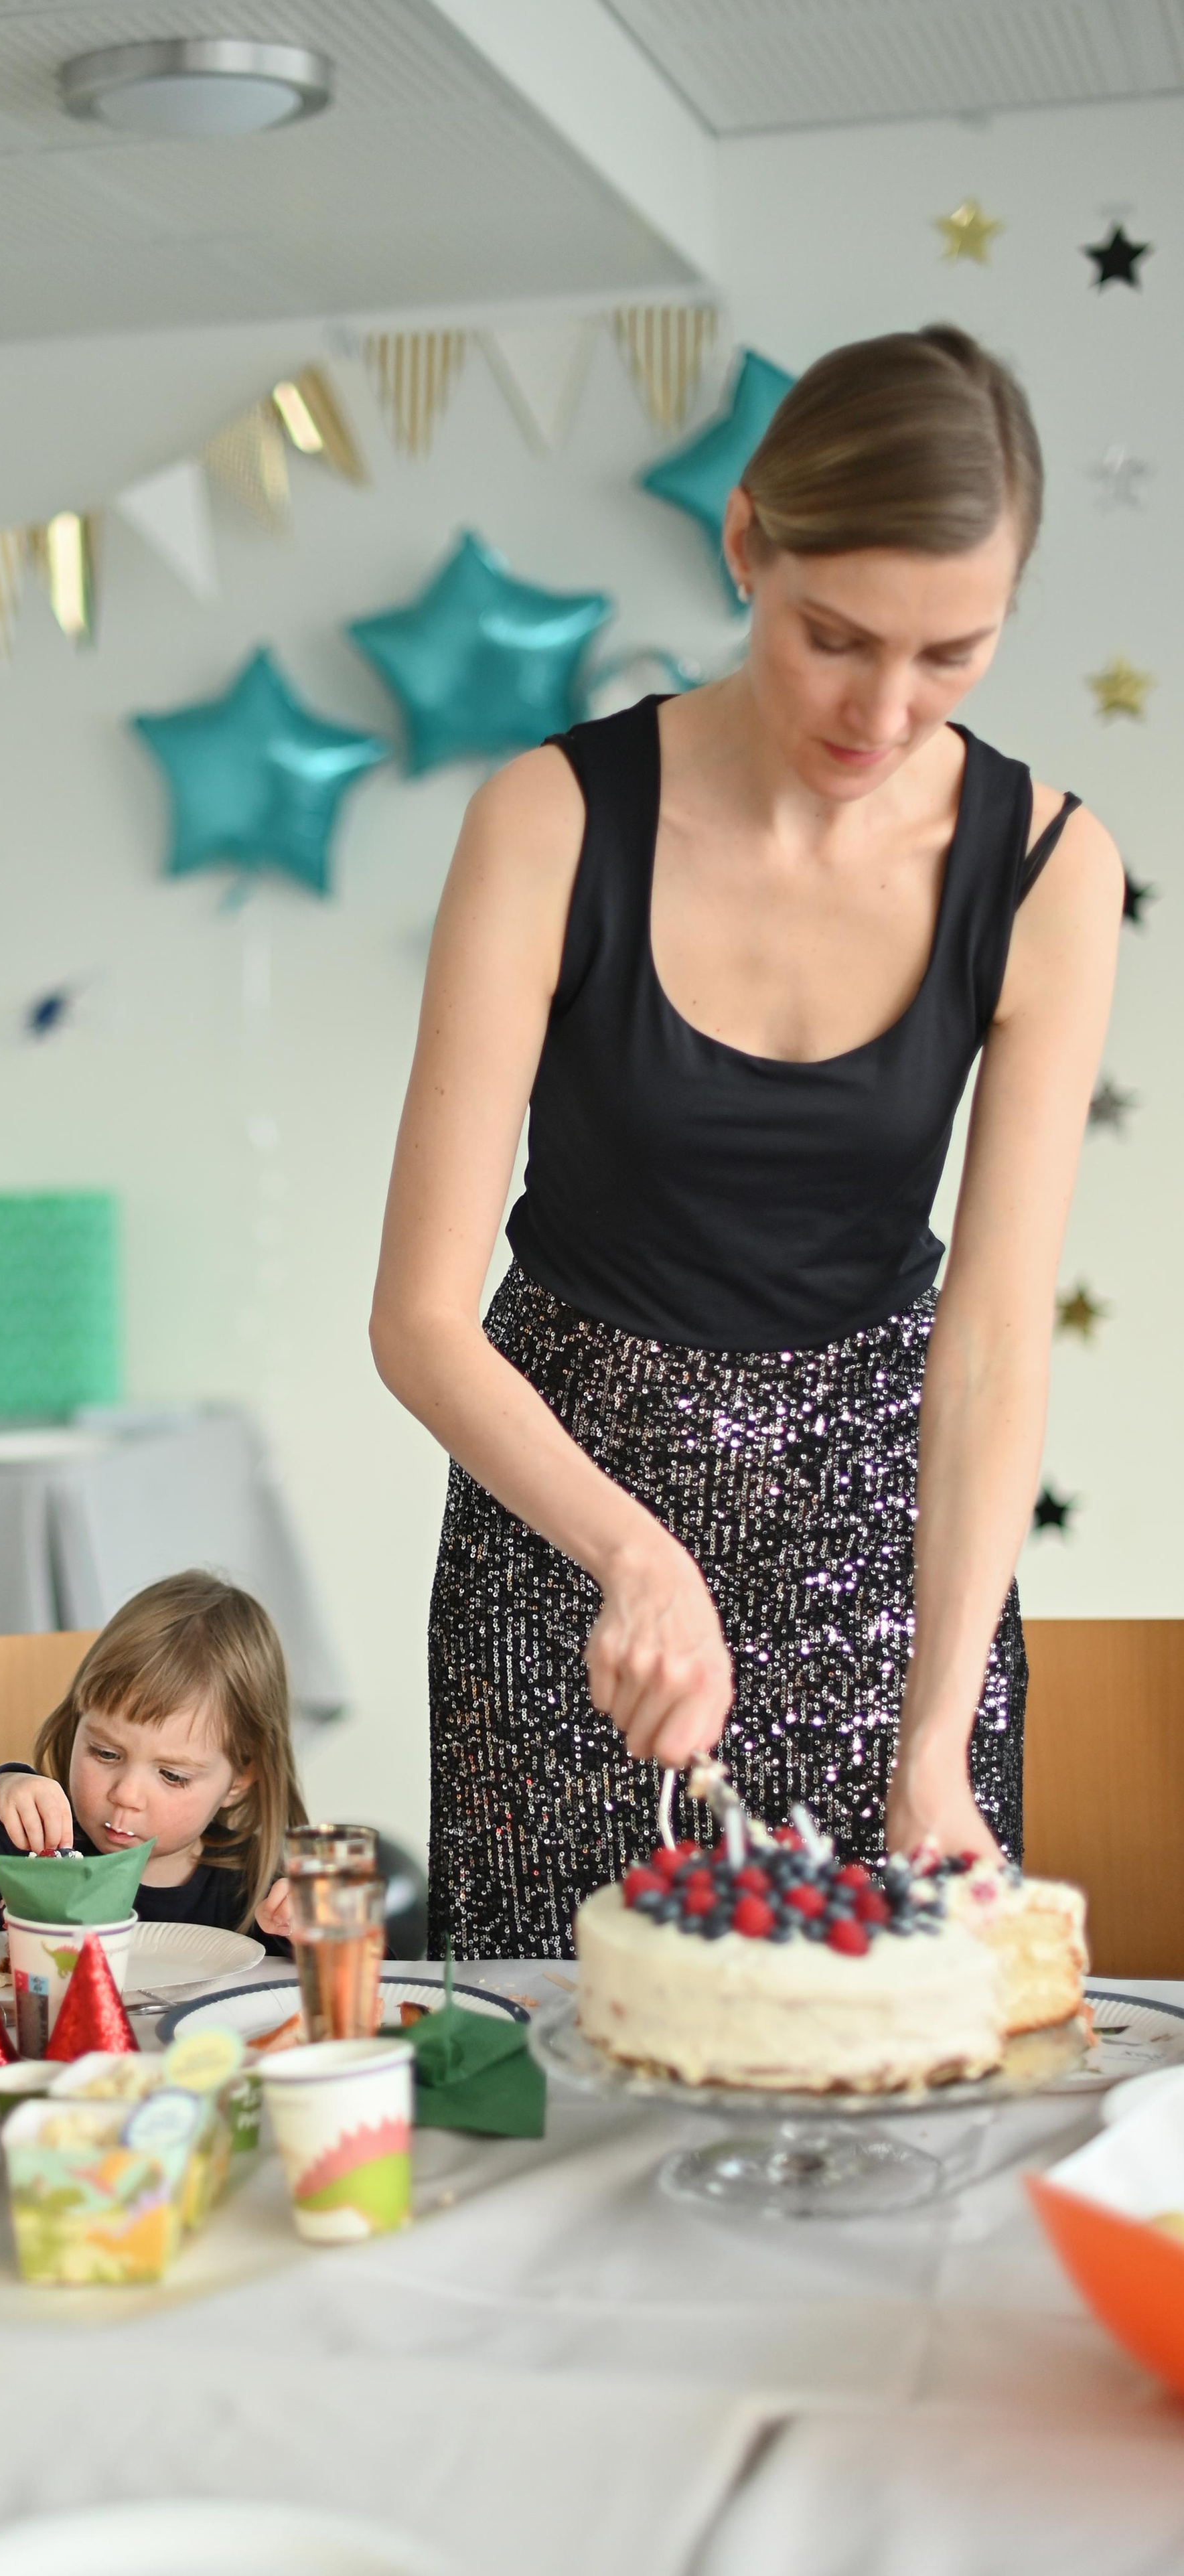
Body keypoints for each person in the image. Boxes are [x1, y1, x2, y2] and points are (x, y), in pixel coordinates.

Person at [370, 325, 1124, 1961]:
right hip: (565, 1501)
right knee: (560, 2050)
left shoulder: (1050, 870)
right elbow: (417, 1316)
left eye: (949, 654)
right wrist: (629, 1550)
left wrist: (933, 1734)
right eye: (831, 636)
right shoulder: (548, 821)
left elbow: (990, 1342)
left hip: (882, 1531)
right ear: (742, 545)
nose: (882, 710)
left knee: (877, 2076)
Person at [0, 1570, 304, 1952]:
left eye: (172, 1775)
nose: (127, 1794)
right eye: (105, 1753)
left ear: (240, 1779)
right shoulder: (37, 1849)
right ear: (76, 1724)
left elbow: (363, 1975)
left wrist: (315, 1928)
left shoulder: (258, 1886)